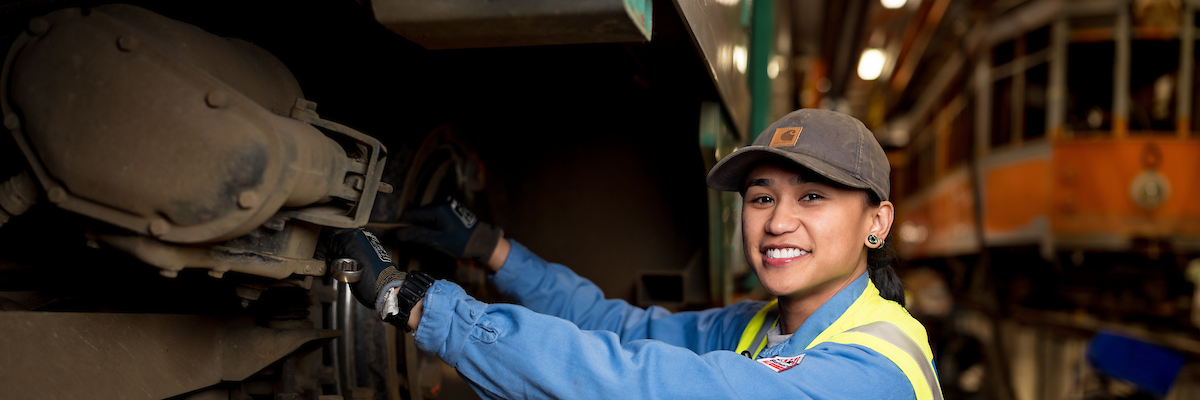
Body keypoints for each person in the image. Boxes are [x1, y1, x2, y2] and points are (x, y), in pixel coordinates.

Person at [321, 109, 944, 399]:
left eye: (812, 196)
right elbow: (616, 328)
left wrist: (417, 304)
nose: (778, 221)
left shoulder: (875, 369)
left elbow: (636, 385)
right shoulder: (760, 327)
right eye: (762, 197)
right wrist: (494, 249)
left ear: (877, 223)